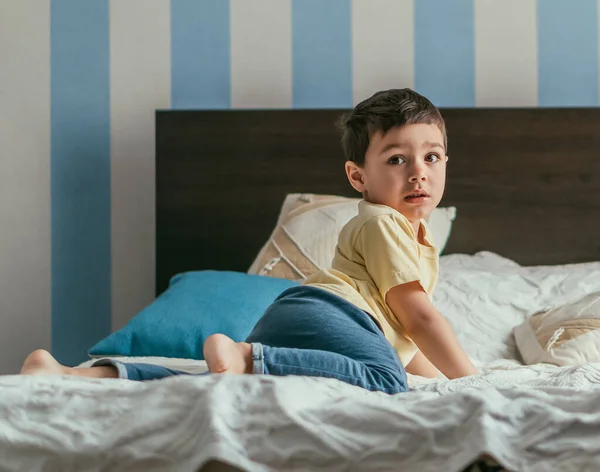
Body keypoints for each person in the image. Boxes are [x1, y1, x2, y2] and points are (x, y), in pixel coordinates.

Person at [20, 88, 477, 394]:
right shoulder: (384, 224)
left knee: (210, 375)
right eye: (397, 158)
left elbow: (405, 346)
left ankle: (72, 373)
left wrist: (440, 385)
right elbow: (419, 320)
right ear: (358, 176)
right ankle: (246, 356)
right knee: (385, 381)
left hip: (304, 320)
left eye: (432, 156)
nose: (419, 170)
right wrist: (473, 381)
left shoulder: (415, 236)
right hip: (335, 317)